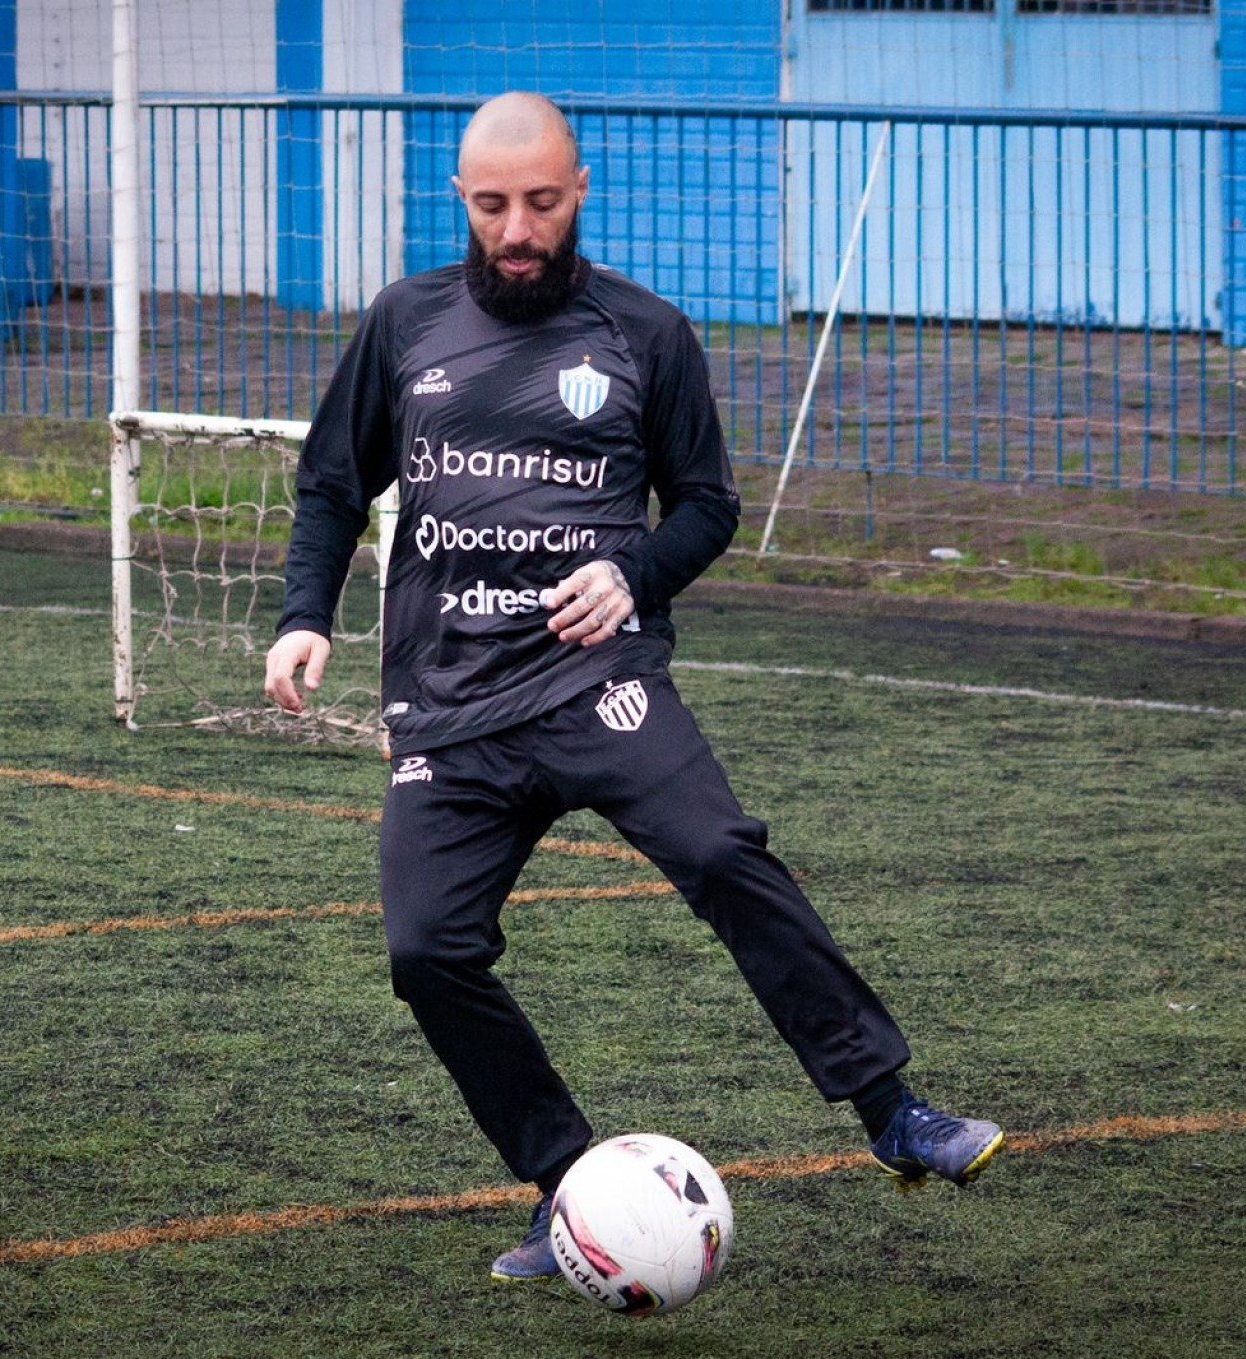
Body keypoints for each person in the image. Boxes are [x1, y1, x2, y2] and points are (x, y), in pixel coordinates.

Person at [264, 92, 1002, 1282]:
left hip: (598, 682)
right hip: (451, 700)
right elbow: (331, 488)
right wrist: (308, 618)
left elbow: (708, 505)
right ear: (462, 199)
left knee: (723, 856)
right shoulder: (404, 325)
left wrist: (631, 574)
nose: (517, 229)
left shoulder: (645, 334)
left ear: (580, 192)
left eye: (541, 204)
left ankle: (892, 1111)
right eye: (493, 205)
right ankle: (572, 1194)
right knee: (427, 954)